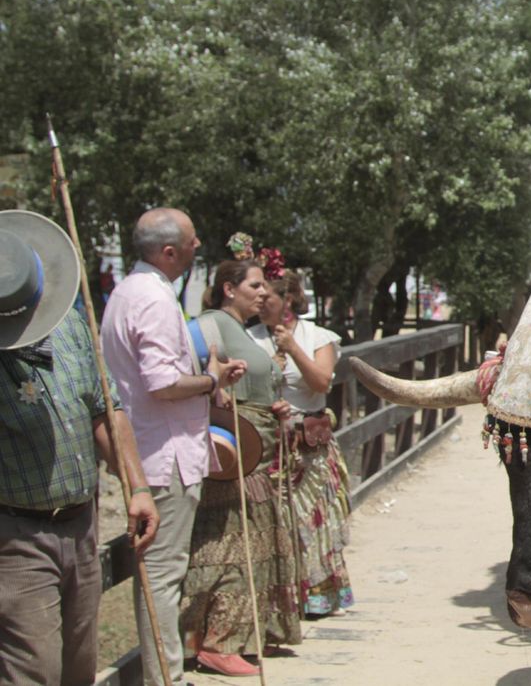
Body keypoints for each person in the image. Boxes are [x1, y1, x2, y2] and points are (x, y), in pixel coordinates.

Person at [1, 210, 160, 686]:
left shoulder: (70, 325)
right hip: (16, 536)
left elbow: (105, 411)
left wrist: (137, 486)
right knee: (34, 671)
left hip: (82, 523)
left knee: (78, 667)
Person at [102, 208, 247, 686]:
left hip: (154, 450)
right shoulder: (154, 301)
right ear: (169, 251)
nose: (197, 244)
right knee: (162, 578)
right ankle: (165, 678)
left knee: (161, 576)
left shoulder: (131, 292)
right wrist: (212, 379)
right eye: (191, 240)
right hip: (161, 459)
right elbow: (162, 383)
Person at [181, 260, 301, 675]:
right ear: (229, 289)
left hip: (257, 453)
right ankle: (214, 640)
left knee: (249, 544)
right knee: (226, 546)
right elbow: (197, 376)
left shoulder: (249, 332)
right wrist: (218, 393)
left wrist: (273, 407)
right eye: (255, 285)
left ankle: (243, 635)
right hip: (234, 455)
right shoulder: (209, 326)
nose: (263, 293)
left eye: (265, 286)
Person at [268, 275, 354, 616]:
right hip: (269, 445)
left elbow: (321, 381)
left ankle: (317, 595)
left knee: (313, 520)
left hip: (309, 447)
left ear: (288, 299)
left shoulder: (318, 337)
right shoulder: (250, 337)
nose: (262, 301)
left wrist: (292, 349)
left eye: (270, 294)